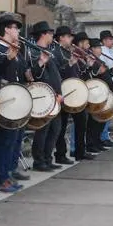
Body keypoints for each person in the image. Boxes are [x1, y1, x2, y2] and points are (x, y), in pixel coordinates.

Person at [0, 13, 28, 192]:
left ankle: (8, 174)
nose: (18, 31)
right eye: (15, 27)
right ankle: (0, 178)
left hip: (16, 98)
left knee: (12, 140)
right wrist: (8, 58)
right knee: (4, 141)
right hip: (4, 99)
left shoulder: (14, 48)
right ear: (6, 29)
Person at [28, 21, 63, 171]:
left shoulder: (50, 51)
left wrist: (59, 92)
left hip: (55, 96)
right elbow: (34, 74)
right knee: (43, 130)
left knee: (55, 129)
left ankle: (48, 158)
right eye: (50, 33)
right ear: (43, 34)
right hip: (44, 96)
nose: (52, 36)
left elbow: (55, 74)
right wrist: (41, 62)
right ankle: (39, 160)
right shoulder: (34, 52)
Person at [51, 26, 77, 165]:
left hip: (68, 92)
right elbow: (57, 73)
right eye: (68, 36)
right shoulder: (55, 52)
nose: (71, 39)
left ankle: (61, 154)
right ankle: (59, 154)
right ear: (61, 37)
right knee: (58, 128)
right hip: (59, 92)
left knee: (63, 125)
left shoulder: (66, 52)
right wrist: (70, 64)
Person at [87, 38, 113, 149]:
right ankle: (91, 143)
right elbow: (94, 76)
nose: (100, 50)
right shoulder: (92, 61)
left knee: (101, 121)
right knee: (94, 121)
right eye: (98, 48)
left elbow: (106, 75)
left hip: (106, 94)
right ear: (92, 49)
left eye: (100, 47)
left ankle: (98, 141)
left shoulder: (99, 61)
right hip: (98, 95)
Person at [70, 32, 96, 161]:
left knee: (82, 124)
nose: (88, 45)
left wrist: (89, 66)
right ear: (80, 43)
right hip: (76, 93)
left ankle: (81, 150)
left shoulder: (83, 56)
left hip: (82, 92)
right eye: (86, 43)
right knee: (78, 123)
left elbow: (84, 74)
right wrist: (86, 66)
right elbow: (78, 74)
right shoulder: (76, 55)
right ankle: (76, 150)